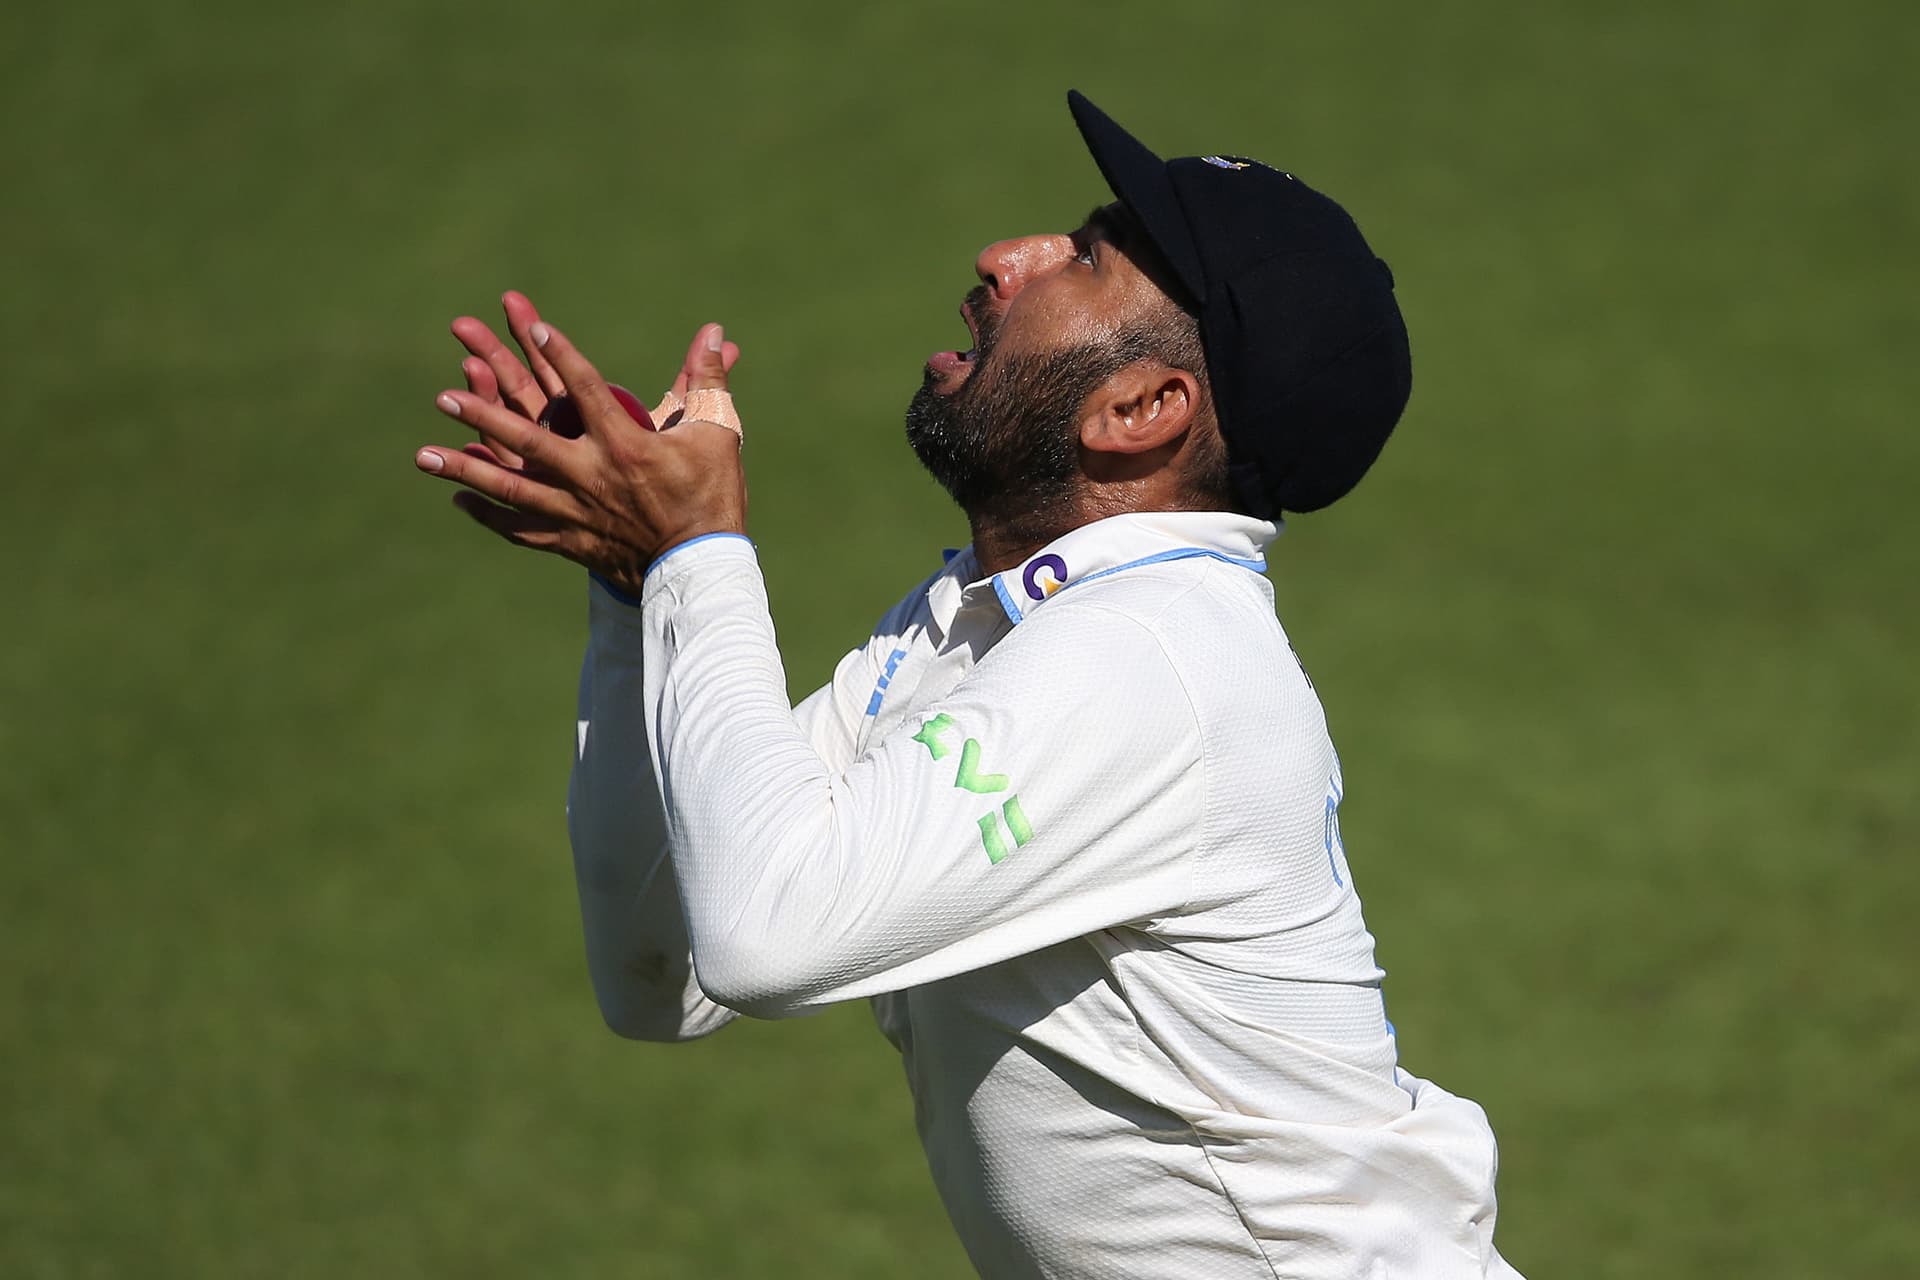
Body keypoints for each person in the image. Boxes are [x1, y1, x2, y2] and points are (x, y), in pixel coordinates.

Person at [415, 91, 1524, 1279]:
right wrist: (647, 594)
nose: (1005, 256)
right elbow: (670, 970)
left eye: (1088, 256)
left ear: (1141, 408)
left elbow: (764, 938)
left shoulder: (1154, 660)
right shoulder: (979, 624)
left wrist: (701, 552)